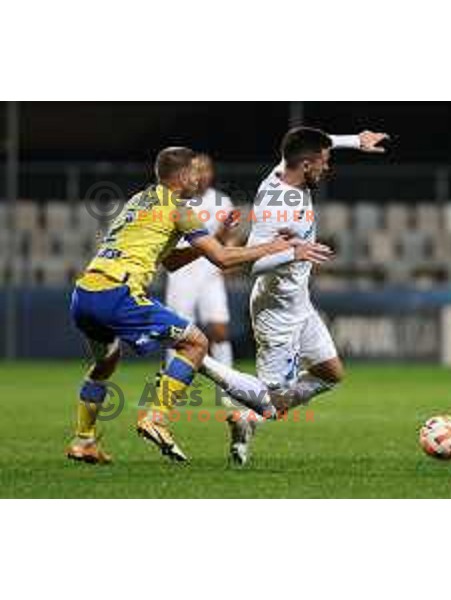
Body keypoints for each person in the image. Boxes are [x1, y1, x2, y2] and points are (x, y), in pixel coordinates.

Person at [67, 146, 332, 464]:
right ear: (180, 176)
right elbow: (222, 259)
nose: (199, 176)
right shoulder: (179, 208)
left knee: (104, 364)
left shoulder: (140, 200)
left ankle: (84, 440)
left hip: (85, 292)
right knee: (196, 343)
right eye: (194, 171)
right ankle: (156, 418)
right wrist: (277, 247)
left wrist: (208, 241)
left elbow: (174, 261)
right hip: (118, 293)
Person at [227, 128, 389, 465]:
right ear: (305, 164)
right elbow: (251, 262)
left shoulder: (285, 168)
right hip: (276, 314)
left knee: (331, 374)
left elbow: (306, 138)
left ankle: (249, 417)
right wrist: (293, 253)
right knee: (277, 406)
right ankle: (212, 376)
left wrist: (354, 141)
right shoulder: (277, 202)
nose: (326, 168)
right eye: (323, 163)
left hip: (299, 303)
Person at [165, 155, 237, 404]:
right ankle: (173, 389)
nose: (202, 174)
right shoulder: (178, 200)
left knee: (220, 330)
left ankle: (227, 389)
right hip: (183, 271)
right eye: (197, 169)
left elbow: (228, 238)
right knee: (178, 332)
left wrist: (228, 250)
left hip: (210, 272)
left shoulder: (223, 201)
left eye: (206, 169)